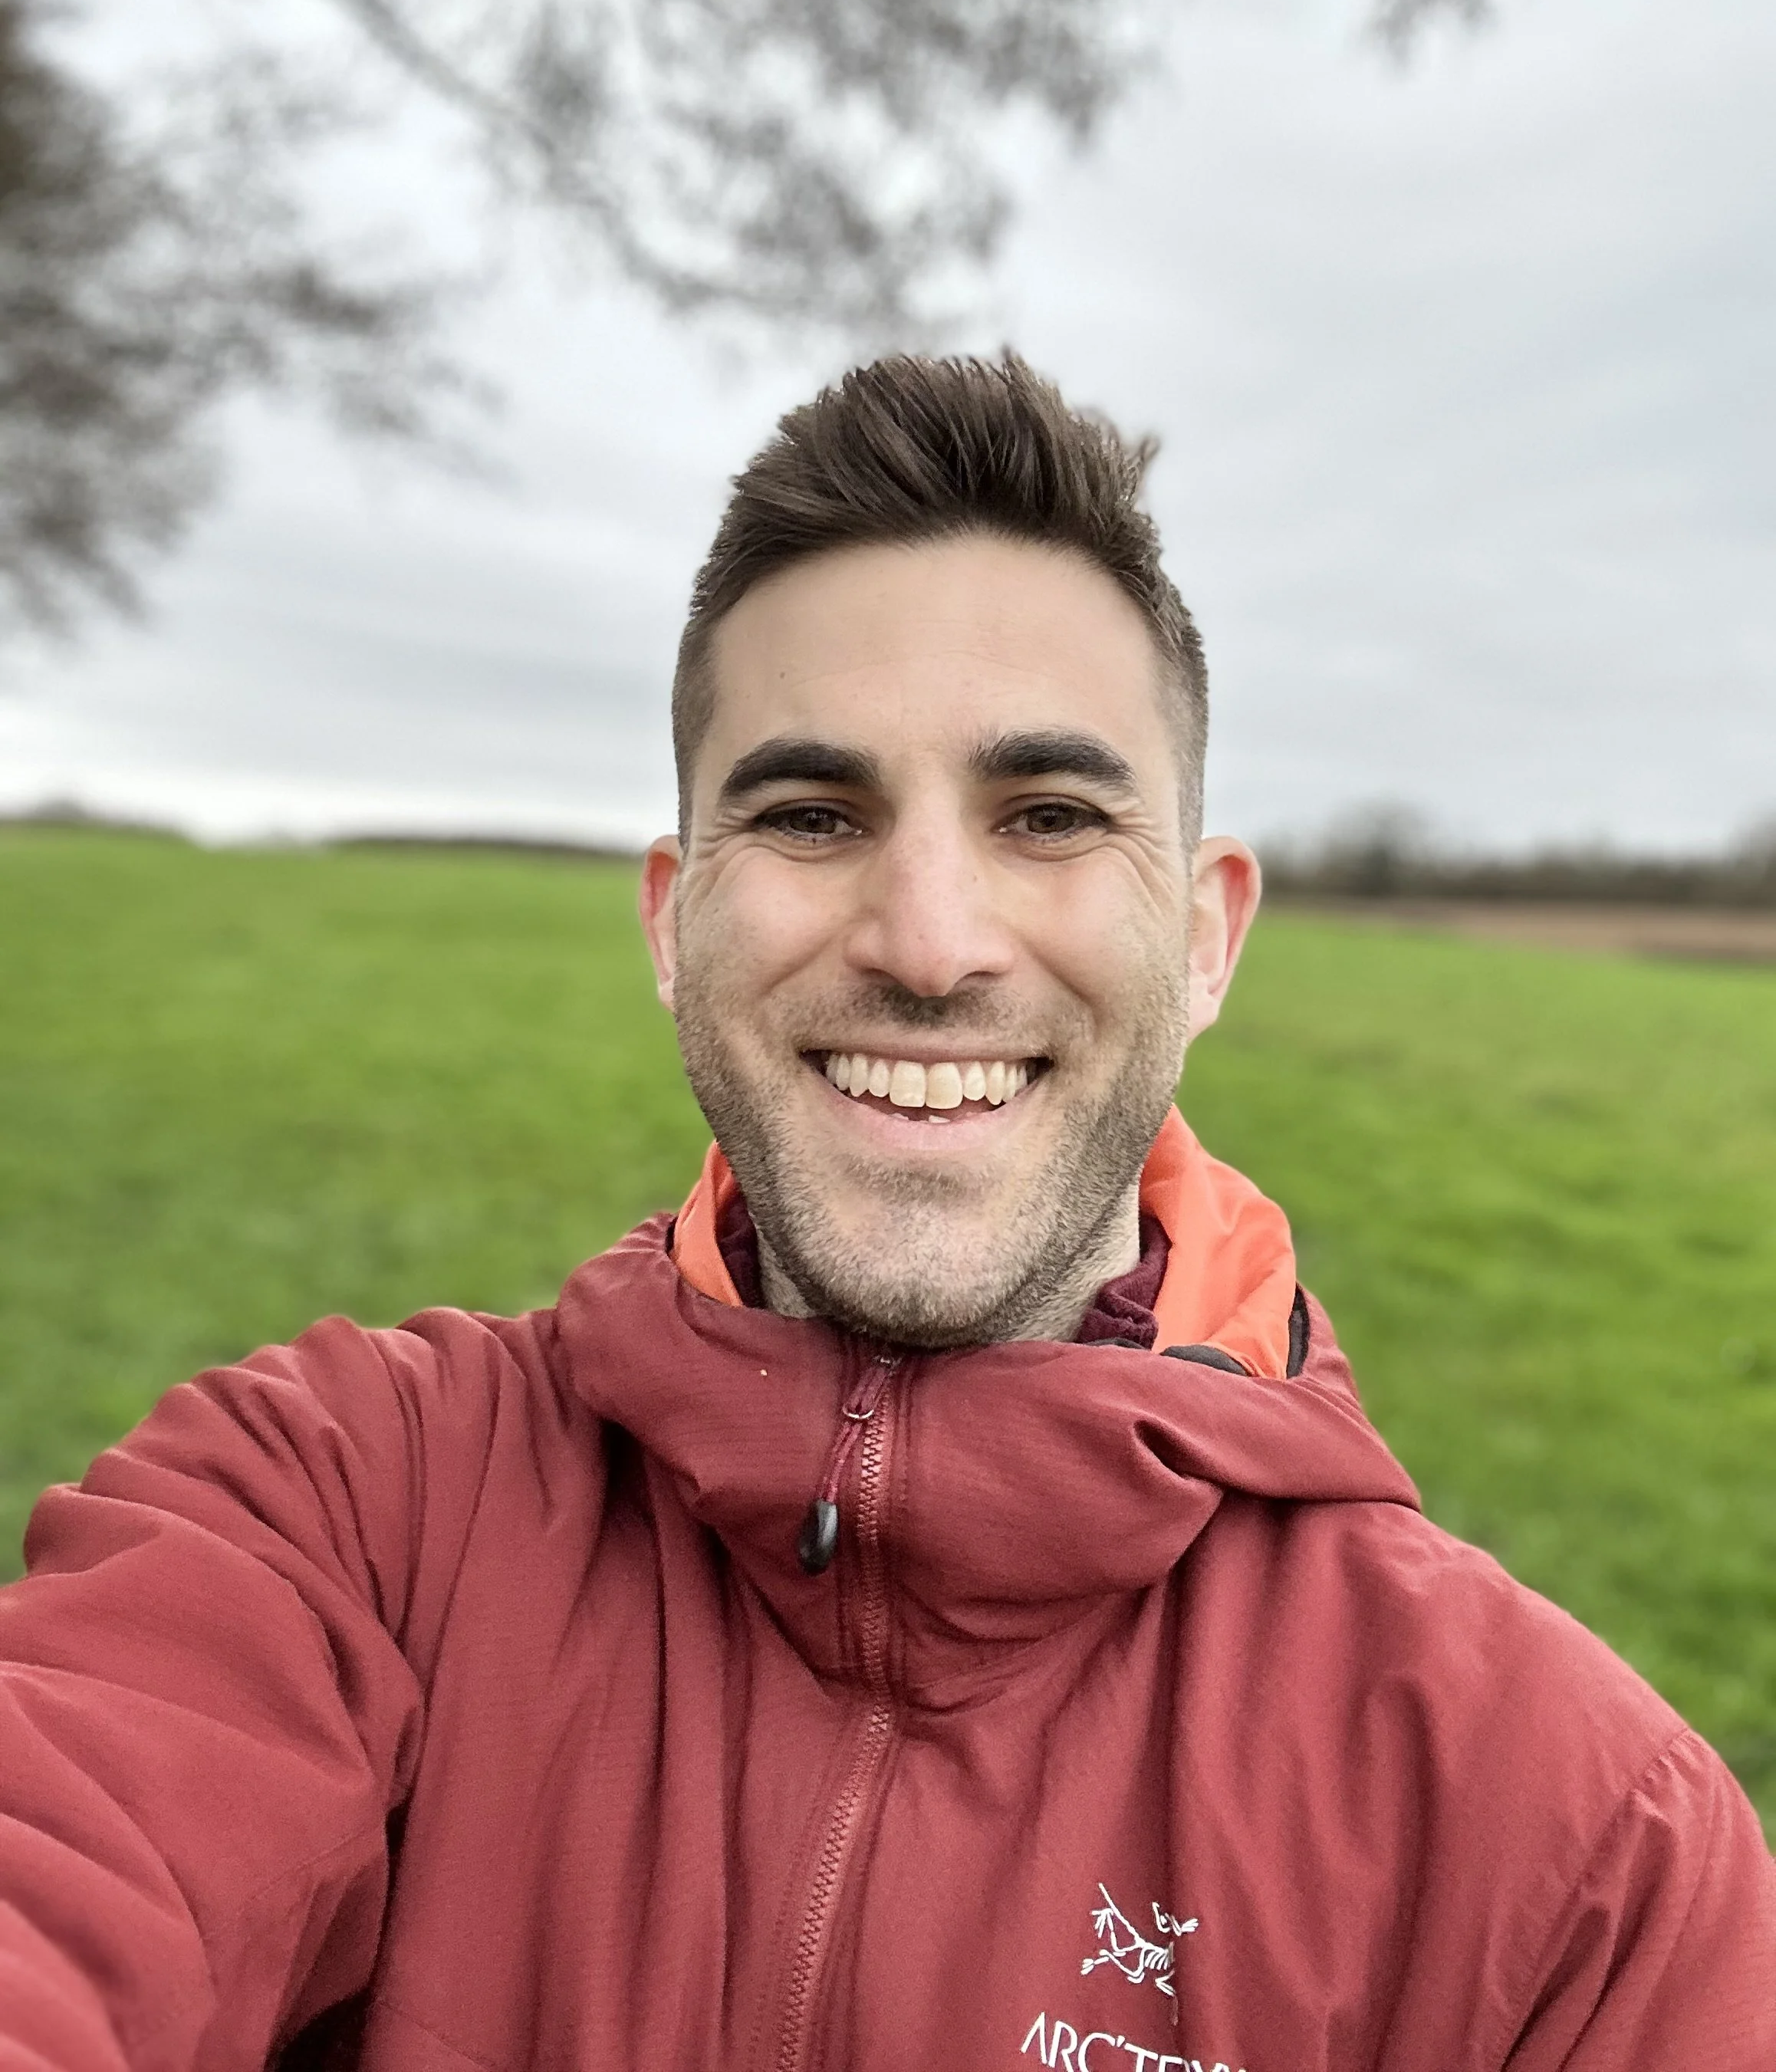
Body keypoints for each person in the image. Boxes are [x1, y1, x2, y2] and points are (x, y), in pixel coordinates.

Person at [2, 353, 1771, 2072]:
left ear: (1211, 931)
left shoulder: (1577, 1842)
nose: (930, 941)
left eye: (1052, 813)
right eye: (815, 810)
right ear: (670, 918)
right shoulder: (340, 1512)